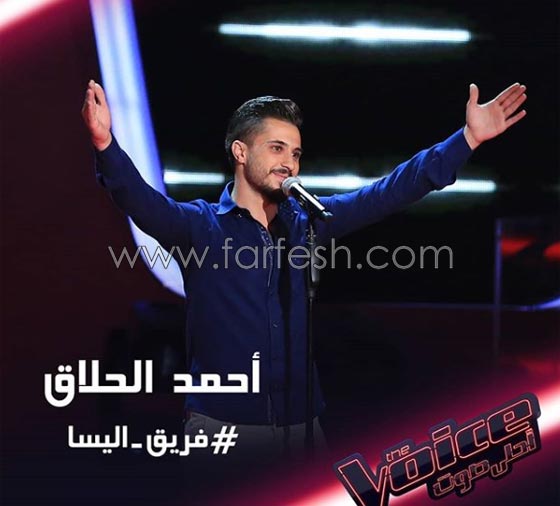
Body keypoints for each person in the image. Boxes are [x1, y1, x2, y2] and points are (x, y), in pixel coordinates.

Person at [81, 80, 527, 467]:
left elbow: (388, 191)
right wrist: (106, 146)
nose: (289, 163)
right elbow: (139, 199)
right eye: (276, 148)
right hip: (223, 429)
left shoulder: (308, 222)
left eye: (295, 153)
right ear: (240, 151)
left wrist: (466, 139)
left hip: (303, 425)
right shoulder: (200, 227)